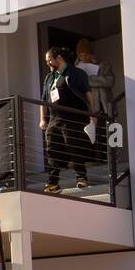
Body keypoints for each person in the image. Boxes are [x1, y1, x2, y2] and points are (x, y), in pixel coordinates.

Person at [40, 46, 96, 192]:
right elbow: (44, 100)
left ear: (59, 58)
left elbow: (88, 94)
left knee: (73, 148)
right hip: (54, 119)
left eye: (49, 60)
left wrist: (92, 114)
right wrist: (42, 119)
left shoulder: (76, 73)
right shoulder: (49, 77)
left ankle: (81, 177)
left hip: (72, 118)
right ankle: (52, 182)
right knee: (52, 150)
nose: (48, 63)